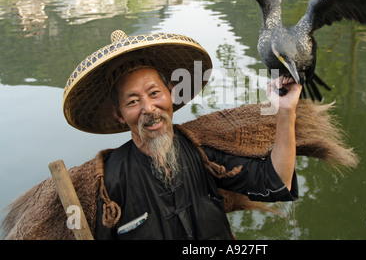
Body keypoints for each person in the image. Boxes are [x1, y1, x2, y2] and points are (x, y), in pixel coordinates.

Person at [61, 30, 301, 239]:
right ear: (119, 114)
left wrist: (286, 111)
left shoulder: (202, 153)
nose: (148, 108)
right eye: (133, 101)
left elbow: (276, 182)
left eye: (154, 93)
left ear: (172, 93)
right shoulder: (110, 183)